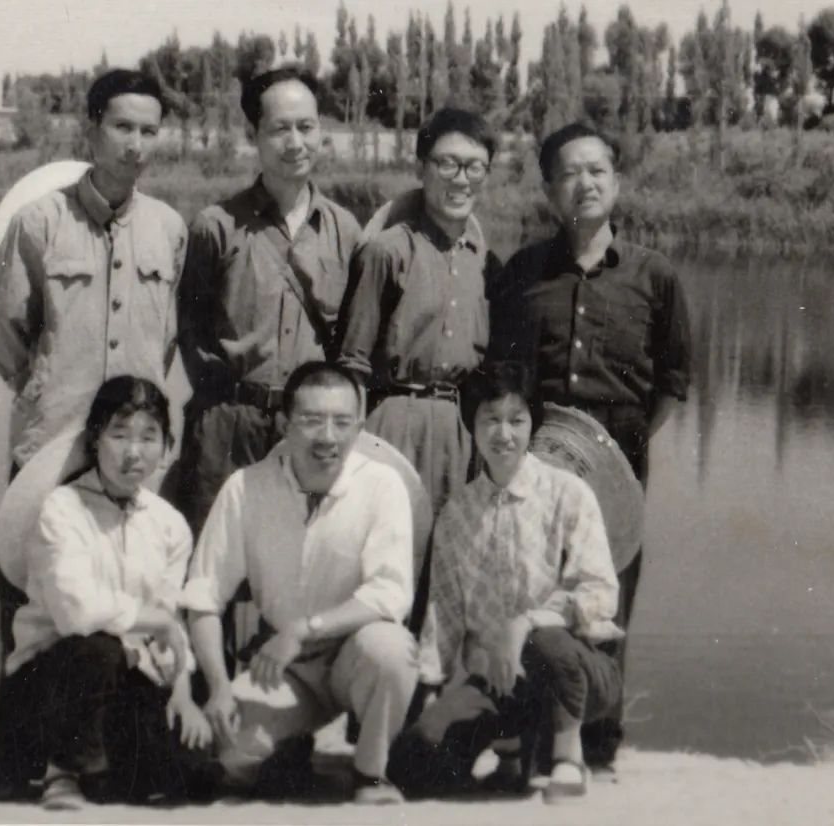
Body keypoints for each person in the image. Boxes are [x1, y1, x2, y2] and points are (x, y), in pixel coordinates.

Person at [0, 68, 187, 799]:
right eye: (122, 127)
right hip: (51, 449)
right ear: (91, 129)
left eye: (149, 130)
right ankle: (19, 768)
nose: (136, 145)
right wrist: (48, 393)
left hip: (129, 450)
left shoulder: (169, 229)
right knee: (29, 606)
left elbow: (165, 341)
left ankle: (98, 761)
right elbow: (1, 332)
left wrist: (130, 426)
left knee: (118, 592)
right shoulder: (40, 223)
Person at [488, 121, 692, 770]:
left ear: (618, 181)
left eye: (597, 170)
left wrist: (614, 449)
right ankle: (531, 735)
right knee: (530, 587)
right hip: (537, 457)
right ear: (550, 189)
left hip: (617, 459)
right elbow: (501, 374)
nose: (585, 183)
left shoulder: (654, 276)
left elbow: (672, 385)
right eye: (570, 172)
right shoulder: (523, 271)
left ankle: (598, 742)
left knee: (606, 594)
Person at [181, 362, 420, 805]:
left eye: (342, 422)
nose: (327, 437)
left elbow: (390, 593)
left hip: (355, 653)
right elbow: (204, 596)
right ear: (284, 424)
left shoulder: (382, 485)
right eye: (311, 420)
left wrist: (304, 629)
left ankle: (370, 774)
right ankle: (291, 747)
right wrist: (218, 686)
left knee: (392, 652)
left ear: (359, 428)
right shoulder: (245, 488)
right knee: (231, 751)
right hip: (284, 668)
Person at [388, 362, 623, 803]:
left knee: (545, 643)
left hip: (576, 672)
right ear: (472, 425)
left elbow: (600, 594)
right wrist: (437, 702)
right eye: (491, 420)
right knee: (409, 768)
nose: (504, 434)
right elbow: (443, 616)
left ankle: (568, 757)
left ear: (532, 424)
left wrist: (526, 623)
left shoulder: (568, 494)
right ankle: (514, 747)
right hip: (499, 681)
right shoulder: (457, 513)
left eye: (517, 420)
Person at [0, 376, 217, 808]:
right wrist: (158, 622)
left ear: (166, 446)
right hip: (50, 681)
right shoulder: (62, 508)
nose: (134, 452)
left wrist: (182, 693)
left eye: (149, 437)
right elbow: (76, 612)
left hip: (121, 682)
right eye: (120, 434)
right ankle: (61, 774)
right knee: (99, 649)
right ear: (95, 439)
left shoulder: (169, 525)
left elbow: (168, 624)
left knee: (195, 773)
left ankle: (103, 773)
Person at [175, 65, 360, 536]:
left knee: (302, 560)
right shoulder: (216, 226)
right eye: (280, 129)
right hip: (227, 425)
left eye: (306, 127)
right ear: (253, 135)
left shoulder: (345, 230)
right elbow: (190, 331)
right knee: (215, 557)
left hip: (308, 429)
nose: (295, 142)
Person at [335, 107, 500, 519]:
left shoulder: (485, 262)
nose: (461, 179)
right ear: (421, 169)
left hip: (460, 430)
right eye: (447, 164)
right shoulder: (386, 251)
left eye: (475, 167)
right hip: (392, 420)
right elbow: (353, 363)